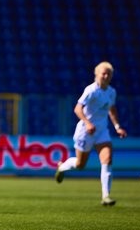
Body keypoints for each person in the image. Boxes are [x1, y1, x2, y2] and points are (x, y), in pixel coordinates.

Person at [54, 62, 127, 206]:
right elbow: (77, 109)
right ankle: (62, 167)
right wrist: (87, 123)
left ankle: (106, 196)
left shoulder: (111, 92)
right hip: (85, 131)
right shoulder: (91, 90)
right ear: (97, 74)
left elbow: (112, 110)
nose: (106, 76)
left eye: (108, 74)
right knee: (80, 164)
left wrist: (117, 126)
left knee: (107, 159)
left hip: (101, 131)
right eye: (103, 73)